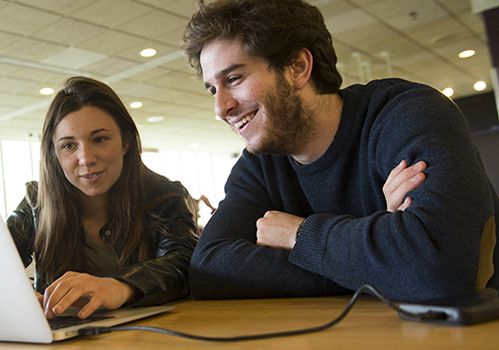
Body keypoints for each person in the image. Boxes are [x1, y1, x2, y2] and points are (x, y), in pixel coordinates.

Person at [181, 0, 499, 302]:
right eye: (212, 89)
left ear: (298, 67)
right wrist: (381, 256)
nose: (220, 108)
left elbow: (439, 264)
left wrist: (299, 235)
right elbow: (209, 267)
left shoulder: (407, 114)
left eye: (234, 79)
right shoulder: (259, 165)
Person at [6, 77, 198, 319]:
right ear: (54, 154)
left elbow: (185, 264)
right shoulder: (36, 203)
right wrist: (14, 295)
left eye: (99, 139)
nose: (85, 158)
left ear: (126, 142)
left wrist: (119, 286)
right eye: (68, 146)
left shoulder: (164, 196)